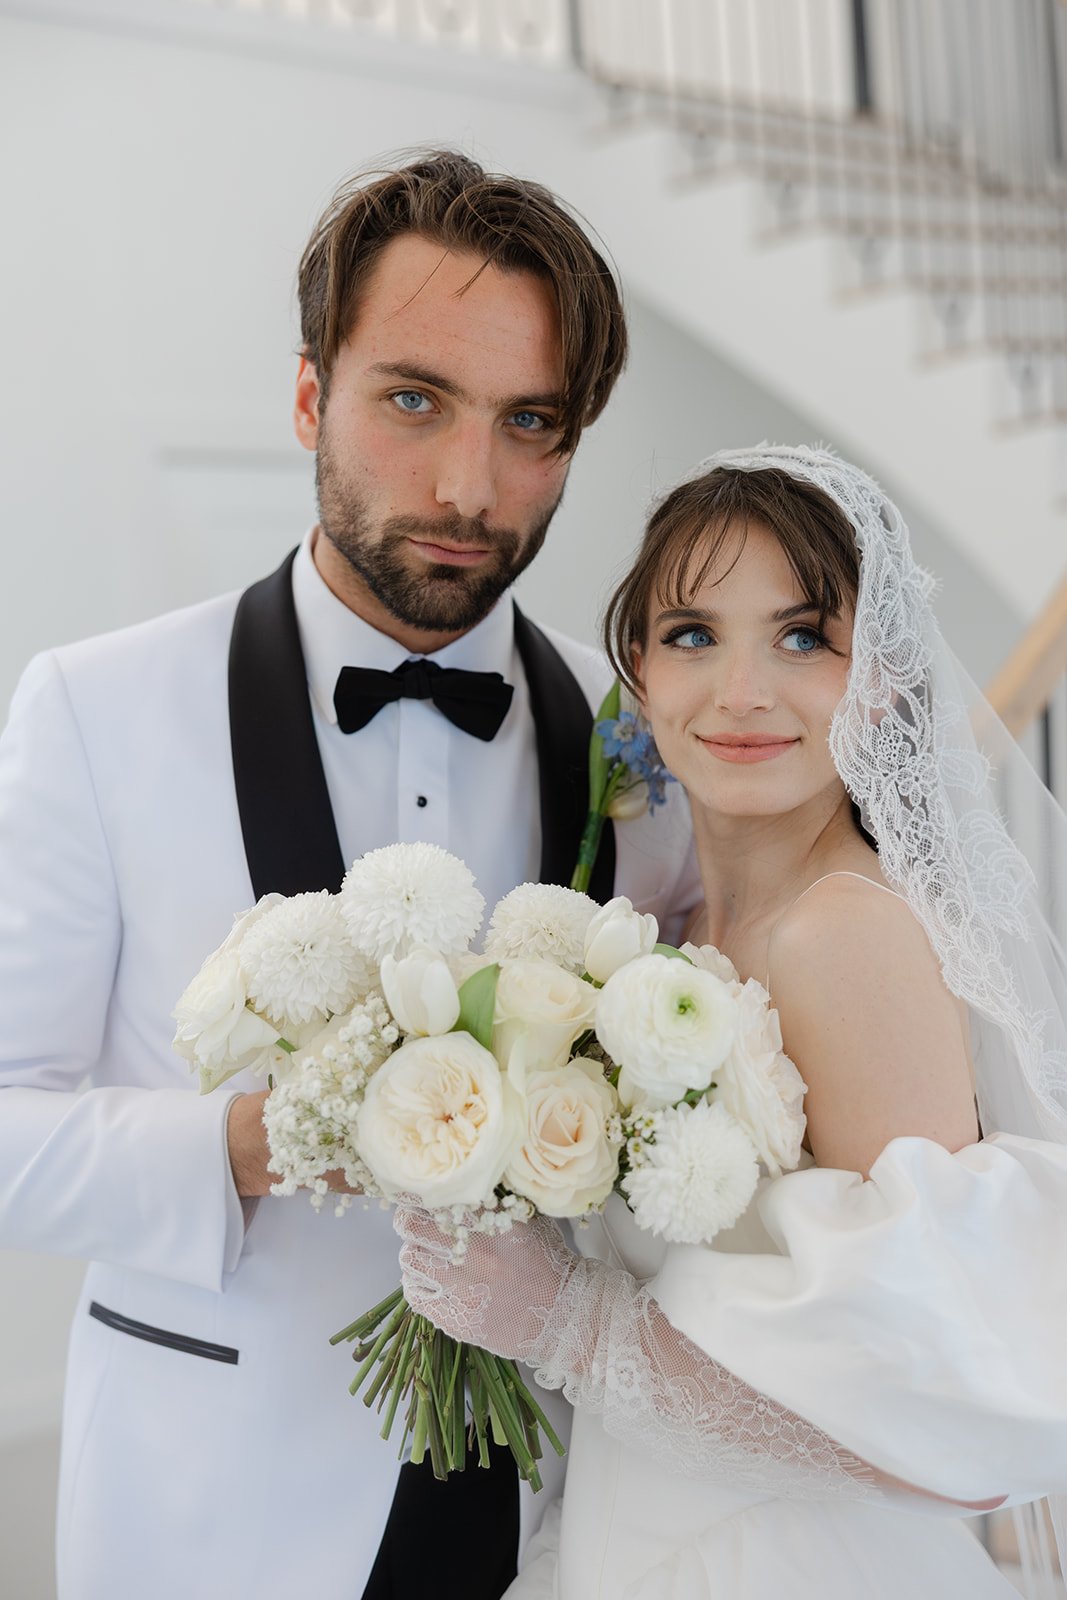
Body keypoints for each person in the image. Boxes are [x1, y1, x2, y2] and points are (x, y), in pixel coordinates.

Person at [0, 150, 698, 1600]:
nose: (467, 484)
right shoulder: (91, 709)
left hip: (562, 1522)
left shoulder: (643, 743)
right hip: (210, 1519)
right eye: (412, 400)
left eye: (529, 423)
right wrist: (256, 1142)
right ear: (310, 394)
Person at [395, 444, 1067, 1599]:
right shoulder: (665, 924)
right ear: (637, 674)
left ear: (885, 683)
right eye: (693, 635)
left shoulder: (841, 937)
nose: (742, 690)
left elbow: (945, 1426)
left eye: (803, 637)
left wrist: (567, 1325)